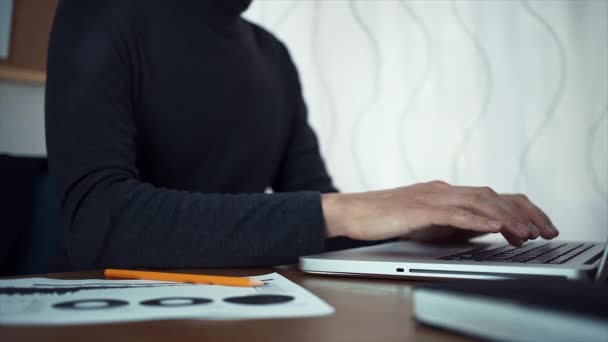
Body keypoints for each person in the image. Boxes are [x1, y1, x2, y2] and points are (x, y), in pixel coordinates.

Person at [45, 0, 558, 271]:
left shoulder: (273, 57)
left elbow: (319, 206)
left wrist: (414, 226)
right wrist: (346, 211)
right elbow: (95, 222)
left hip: (247, 304)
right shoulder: (99, 10)